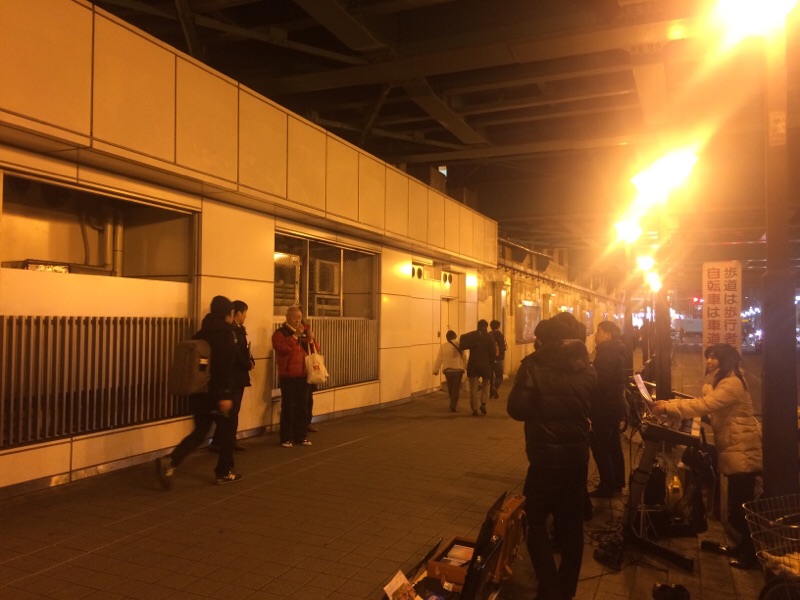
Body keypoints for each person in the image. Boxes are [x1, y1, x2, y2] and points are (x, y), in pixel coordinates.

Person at [507, 312, 596, 600]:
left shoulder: (534, 365)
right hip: (577, 457)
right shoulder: (587, 367)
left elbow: (517, 409)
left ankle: (550, 590)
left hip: (545, 458)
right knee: (571, 524)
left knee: (533, 519)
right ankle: (565, 590)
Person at [653, 343, 762, 569]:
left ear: (726, 360)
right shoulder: (725, 380)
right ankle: (743, 548)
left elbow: (704, 405)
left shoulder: (731, 383)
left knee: (743, 506)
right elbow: (711, 409)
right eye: (708, 357)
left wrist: (669, 407)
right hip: (736, 448)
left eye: (714, 358)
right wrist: (672, 404)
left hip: (742, 450)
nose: (709, 361)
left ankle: (751, 556)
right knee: (739, 504)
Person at [156, 295, 243, 488]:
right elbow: (224, 368)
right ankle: (223, 472)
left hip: (199, 392)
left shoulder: (201, 332)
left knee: (200, 431)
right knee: (227, 432)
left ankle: (170, 461)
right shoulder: (226, 335)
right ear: (228, 313)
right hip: (217, 393)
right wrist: (226, 395)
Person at [588, 321, 627, 498]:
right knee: (613, 445)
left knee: (601, 447)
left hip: (604, 408)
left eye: (599, 331)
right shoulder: (614, 351)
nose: (596, 335)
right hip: (613, 406)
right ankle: (617, 481)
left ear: (608, 335)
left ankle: (607, 485)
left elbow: (600, 383)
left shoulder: (607, 354)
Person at [210, 299, 253, 452]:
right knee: (232, 411)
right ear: (237, 313)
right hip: (235, 376)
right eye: (245, 313)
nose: (246, 316)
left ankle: (222, 440)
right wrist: (247, 364)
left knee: (232, 411)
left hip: (237, 375)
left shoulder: (237, 330)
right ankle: (226, 441)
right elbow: (235, 352)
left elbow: (242, 351)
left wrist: (250, 360)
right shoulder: (232, 331)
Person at [272, 306, 317, 448]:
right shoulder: (280, 333)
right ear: (287, 317)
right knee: (289, 407)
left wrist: (311, 340)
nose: (298, 321)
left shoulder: (303, 333)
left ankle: (301, 436)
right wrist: (295, 336)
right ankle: (286, 437)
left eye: (300, 318)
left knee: (302, 407)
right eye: (295, 318)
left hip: (304, 374)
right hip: (289, 376)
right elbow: (282, 349)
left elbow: (315, 351)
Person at [460, 319, 498, 416]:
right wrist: (491, 362)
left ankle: (475, 409)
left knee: (473, 387)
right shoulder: (490, 337)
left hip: (473, 365)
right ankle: (483, 403)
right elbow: (493, 352)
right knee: (486, 385)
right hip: (485, 365)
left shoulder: (472, 335)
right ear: (486, 327)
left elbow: (462, 340)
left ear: (478, 326)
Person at [433, 330, 467, 412]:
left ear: (447, 338)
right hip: (458, 370)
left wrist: (436, 370)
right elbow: (465, 357)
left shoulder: (443, 346)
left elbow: (439, 358)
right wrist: (467, 367)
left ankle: (453, 402)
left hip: (447, 371)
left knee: (450, 388)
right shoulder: (460, 345)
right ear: (455, 336)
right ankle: (453, 404)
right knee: (456, 388)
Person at [489, 319, 508, 399]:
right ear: (498, 326)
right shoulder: (500, 335)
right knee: (499, 376)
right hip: (498, 359)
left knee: (490, 377)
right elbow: (504, 347)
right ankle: (495, 387)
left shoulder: (488, 335)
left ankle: (490, 393)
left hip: (489, 359)